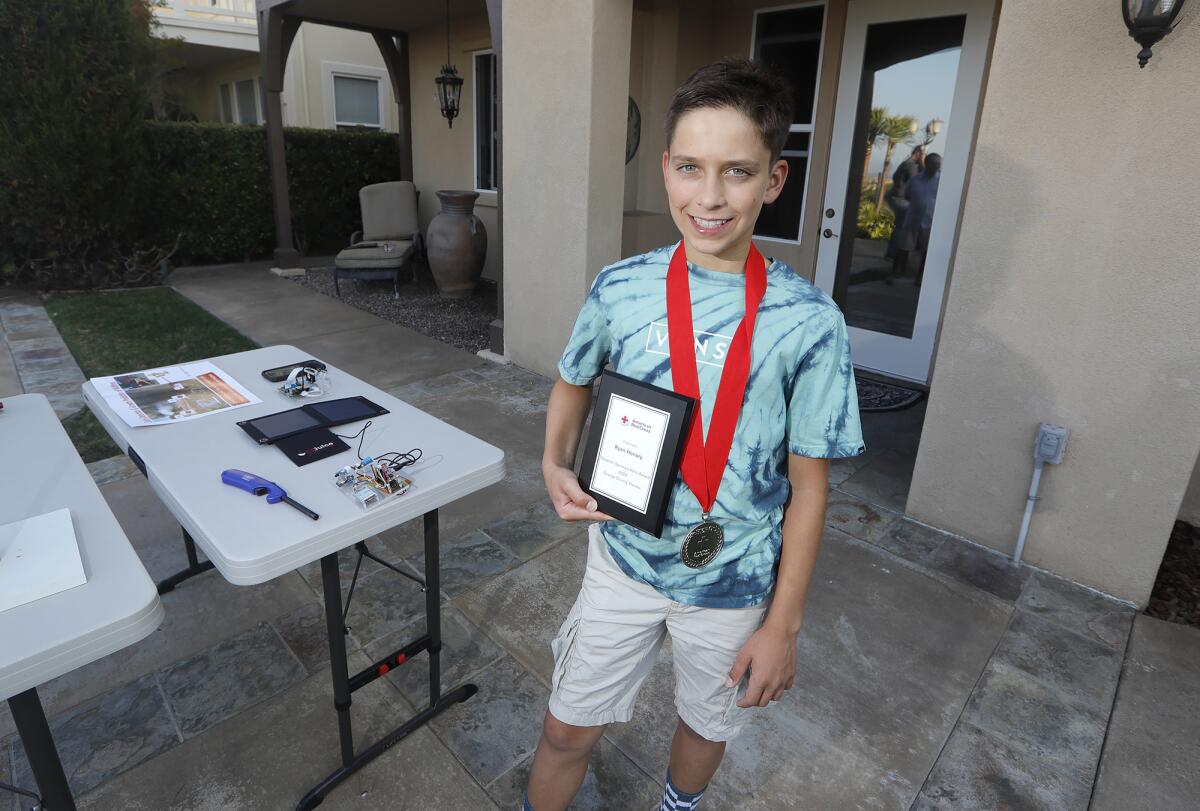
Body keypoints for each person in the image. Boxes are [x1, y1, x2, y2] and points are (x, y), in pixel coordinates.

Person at [525, 58, 865, 811]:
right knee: (563, 732)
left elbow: (810, 486)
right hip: (622, 561)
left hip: (734, 582)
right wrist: (552, 460)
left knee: (704, 724)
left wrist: (784, 624)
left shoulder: (809, 322)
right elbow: (573, 379)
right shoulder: (622, 285)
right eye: (690, 168)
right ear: (666, 169)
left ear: (774, 180)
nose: (709, 197)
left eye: (737, 172)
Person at [889, 152, 942, 287]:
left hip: (930, 222)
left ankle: (920, 278)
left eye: (938, 164)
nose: (936, 166)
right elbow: (907, 195)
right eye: (933, 163)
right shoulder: (915, 180)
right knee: (904, 248)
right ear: (927, 163)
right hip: (913, 219)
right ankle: (896, 273)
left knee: (926, 251)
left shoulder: (941, 181)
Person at [884, 146, 924, 263]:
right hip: (901, 200)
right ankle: (892, 254)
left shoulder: (905, 163)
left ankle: (891, 253)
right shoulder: (911, 165)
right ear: (917, 154)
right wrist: (922, 165)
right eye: (922, 155)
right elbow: (916, 181)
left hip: (894, 196)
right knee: (901, 228)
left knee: (899, 226)